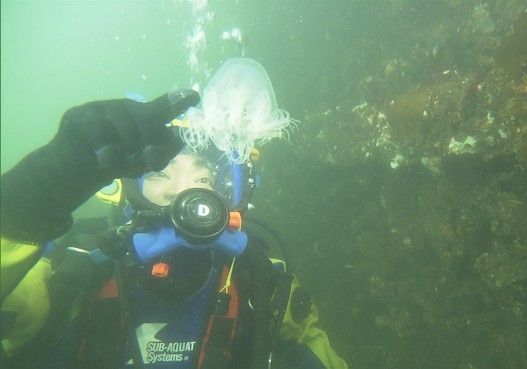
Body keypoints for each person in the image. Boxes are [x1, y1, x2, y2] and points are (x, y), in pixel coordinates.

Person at [0, 89, 348, 368]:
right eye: (160, 173)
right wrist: (34, 196)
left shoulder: (262, 282)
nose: (181, 192)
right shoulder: (68, 269)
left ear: (227, 194)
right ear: (130, 187)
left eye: (202, 178)